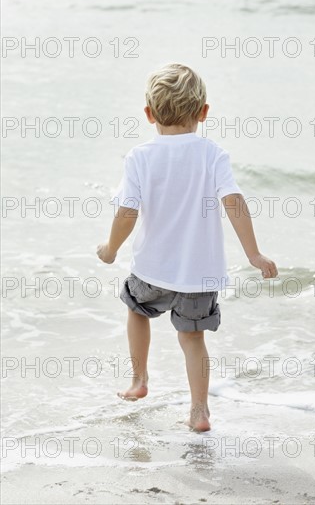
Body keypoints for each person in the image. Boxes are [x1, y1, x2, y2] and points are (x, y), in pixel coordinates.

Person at [97, 63, 278, 431]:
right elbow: (234, 202)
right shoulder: (213, 154)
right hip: (200, 275)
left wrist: (111, 248)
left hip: (152, 270)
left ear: (149, 114)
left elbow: (127, 212)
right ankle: (199, 411)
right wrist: (254, 254)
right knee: (193, 338)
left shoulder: (140, 157)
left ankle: (139, 380)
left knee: (136, 309)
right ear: (204, 112)